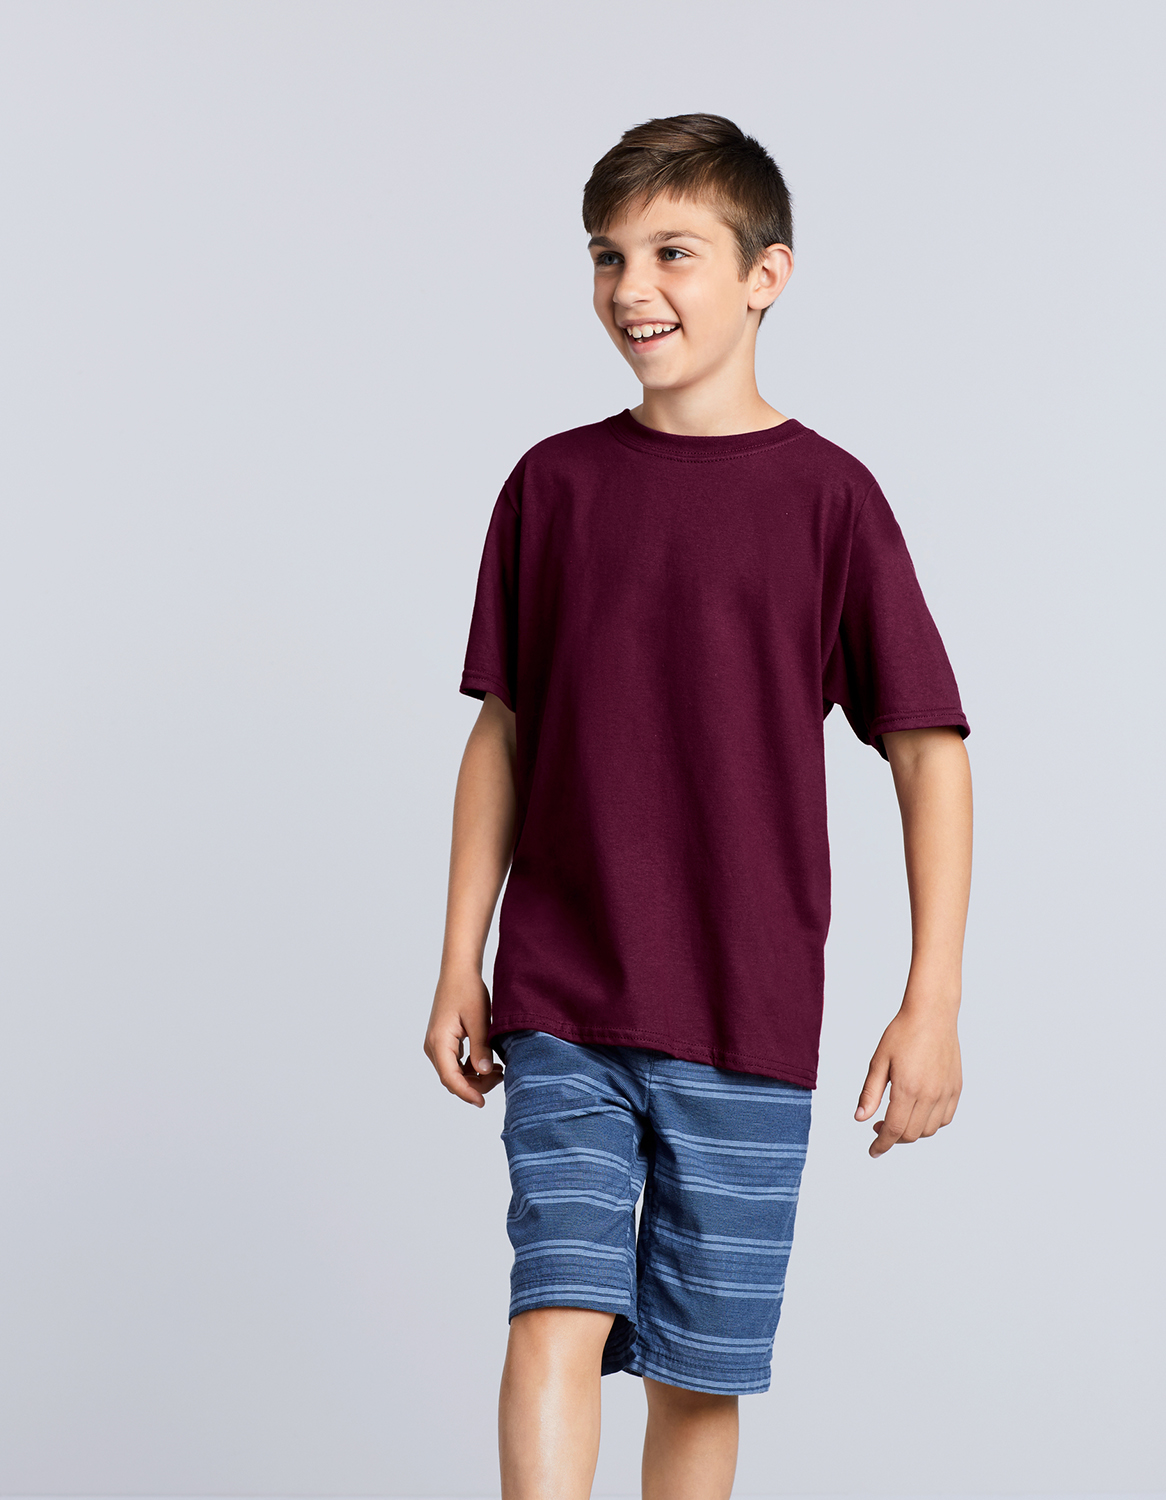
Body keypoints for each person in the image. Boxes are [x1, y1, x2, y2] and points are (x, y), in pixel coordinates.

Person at [424, 113, 973, 1500]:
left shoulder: (831, 501)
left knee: (697, 1371)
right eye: (608, 256)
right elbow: (504, 732)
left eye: (672, 252)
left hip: (746, 1009)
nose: (632, 288)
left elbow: (928, 752)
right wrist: (458, 959)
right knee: (553, 1308)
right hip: (563, 994)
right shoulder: (552, 486)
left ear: (765, 274)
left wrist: (932, 1001)